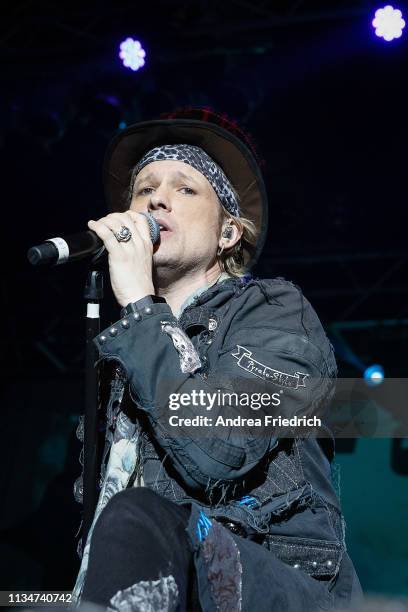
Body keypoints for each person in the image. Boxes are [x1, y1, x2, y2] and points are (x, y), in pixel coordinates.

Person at [71, 107, 363, 611]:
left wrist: (142, 305)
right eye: (145, 189)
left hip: (267, 586)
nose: (156, 198)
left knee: (138, 513)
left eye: (185, 189)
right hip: (166, 592)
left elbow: (217, 450)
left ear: (229, 234)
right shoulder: (121, 349)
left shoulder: (276, 312)